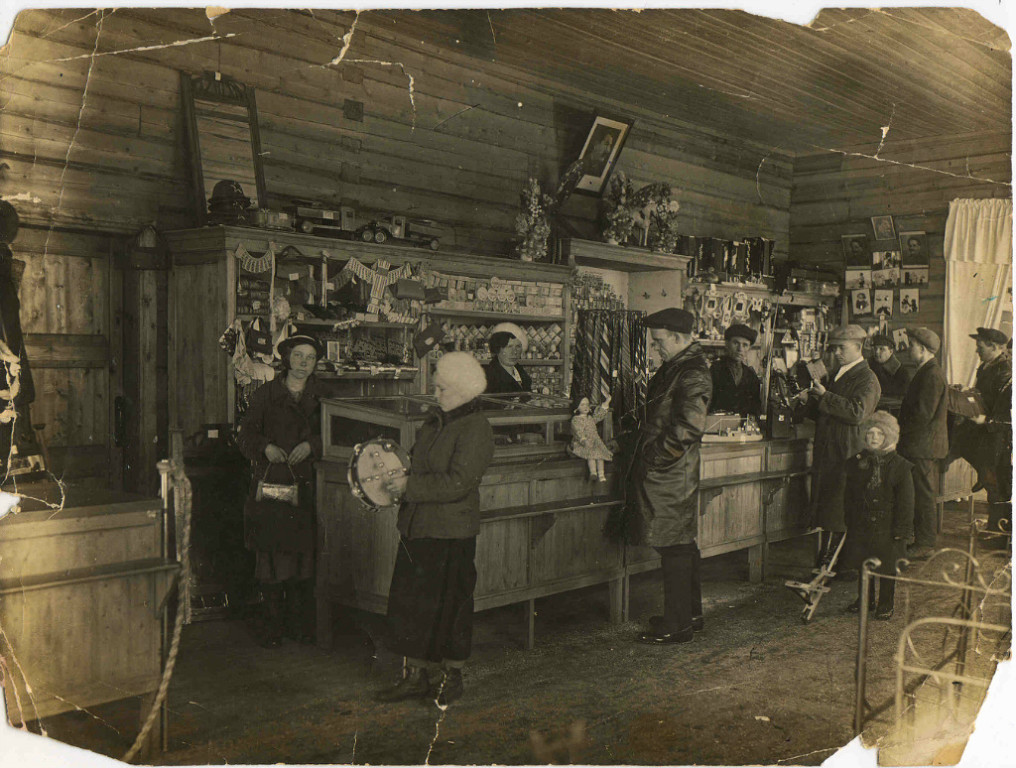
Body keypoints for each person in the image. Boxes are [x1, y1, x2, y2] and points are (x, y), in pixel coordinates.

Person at [375, 352, 494, 705]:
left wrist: (408, 486)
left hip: (451, 532)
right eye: (437, 386)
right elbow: (414, 461)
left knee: (450, 606)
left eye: (443, 389)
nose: (436, 393)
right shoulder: (434, 421)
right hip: (418, 527)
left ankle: (451, 677)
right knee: (412, 604)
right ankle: (414, 676)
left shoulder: (476, 427)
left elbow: (459, 482)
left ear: (464, 390)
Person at [237, 334, 325, 648]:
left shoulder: (323, 396)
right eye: (298, 355)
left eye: (310, 357)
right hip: (272, 485)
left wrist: (312, 445)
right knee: (272, 558)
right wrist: (265, 447)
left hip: (308, 486)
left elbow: (338, 430)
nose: (303, 362)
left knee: (303, 558)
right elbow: (245, 435)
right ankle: (273, 627)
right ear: (287, 358)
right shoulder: (266, 394)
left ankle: (299, 626)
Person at [630, 308, 712, 644]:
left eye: (659, 341)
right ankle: (690, 614)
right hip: (673, 472)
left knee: (674, 547)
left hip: (670, 473)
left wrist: (651, 458)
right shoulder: (679, 366)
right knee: (681, 544)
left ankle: (677, 625)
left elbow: (688, 428)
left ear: (677, 338)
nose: (655, 347)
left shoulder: (691, 373)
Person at [798, 325, 882, 565]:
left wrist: (825, 396)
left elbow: (856, 412)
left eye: (841, 348)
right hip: (831, 450)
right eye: (834, 348)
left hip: (848, 451)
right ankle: (830, 561)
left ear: (858, 347)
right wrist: (807, 402)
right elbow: (828, 412)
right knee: (830, 510)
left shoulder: (867, 378)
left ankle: (839, 564)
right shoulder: (840, 373)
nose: (836, 353)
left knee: (840, 509)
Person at [842, 411, 914, 620]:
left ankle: (885, 603)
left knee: (887, 566)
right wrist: (850, 519)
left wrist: (902, 530)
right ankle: (865, 599)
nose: (874, 438)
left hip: (888, 525)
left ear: (888, 436)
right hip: (862, 523)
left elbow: (906, 502)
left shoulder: (900, 466)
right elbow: (849, 495)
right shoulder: (856, 463)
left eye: (879, 434)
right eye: (870, 433)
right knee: (863, 561)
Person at [896, 328, 948, 558]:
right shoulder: (926, 371)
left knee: (924, 494)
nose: (909, 350)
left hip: (922, 445)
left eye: (912, 346)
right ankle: (920, 538)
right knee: (919, 492)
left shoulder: (932, 374)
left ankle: (925, 543)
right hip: (920, 444)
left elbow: (922, 415)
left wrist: (898, 429)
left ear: (924, 349)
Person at [709, 324, 762, 417]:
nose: (740, 349)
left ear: (749, 348)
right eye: (736, 343)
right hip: (717, 423)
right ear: (727, 344)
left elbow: (755, 407)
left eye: (745, 345)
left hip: (742, 425)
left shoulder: (750, 375)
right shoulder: (714, 370)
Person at [570, 395, 613, 482]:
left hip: (595, 441)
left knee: (600, 455)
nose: (585, 407)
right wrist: (583, 439)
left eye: (587, 404)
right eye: (582, 405)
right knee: (591, 456)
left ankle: (601, 474)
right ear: (576, 408)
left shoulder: (590, 418)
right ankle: (593, 473)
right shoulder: (576, 420)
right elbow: (578, 431)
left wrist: (607, 402)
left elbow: (599, 415)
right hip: (583, 442)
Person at [483, 323, 532, 395]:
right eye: (509, 347)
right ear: (497, 349)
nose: (514, 352)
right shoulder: (488, 376)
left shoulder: (521, 372)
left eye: (518, 346)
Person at [869, 334, 911, 405]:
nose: (877, 352)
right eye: (875, 348)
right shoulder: (868, 366)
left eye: (881, 349)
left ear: (891, 351)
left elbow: (903, 399)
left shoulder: (901, 372)